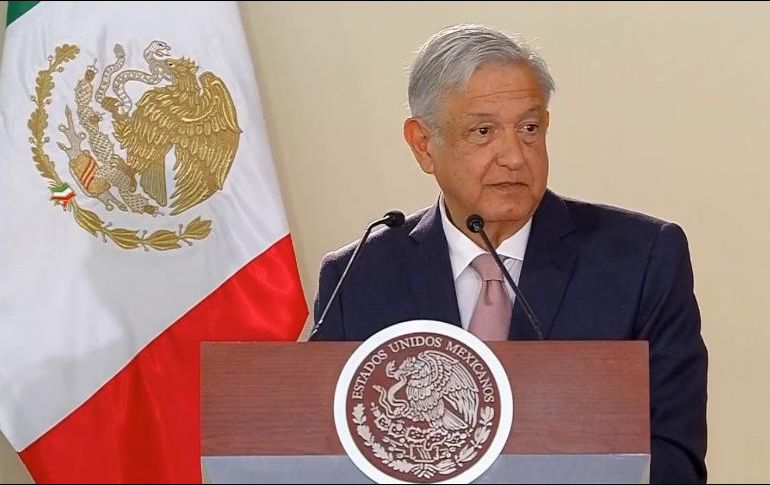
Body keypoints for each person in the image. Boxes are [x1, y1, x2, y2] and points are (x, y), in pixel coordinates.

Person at [310, 24, 707, 484]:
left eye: (529, 128)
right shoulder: (357, 276)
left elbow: (674, 460)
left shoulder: (642, 259)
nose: (515, 156)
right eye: (483, 131)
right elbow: (319, 454)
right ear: (423, 144)